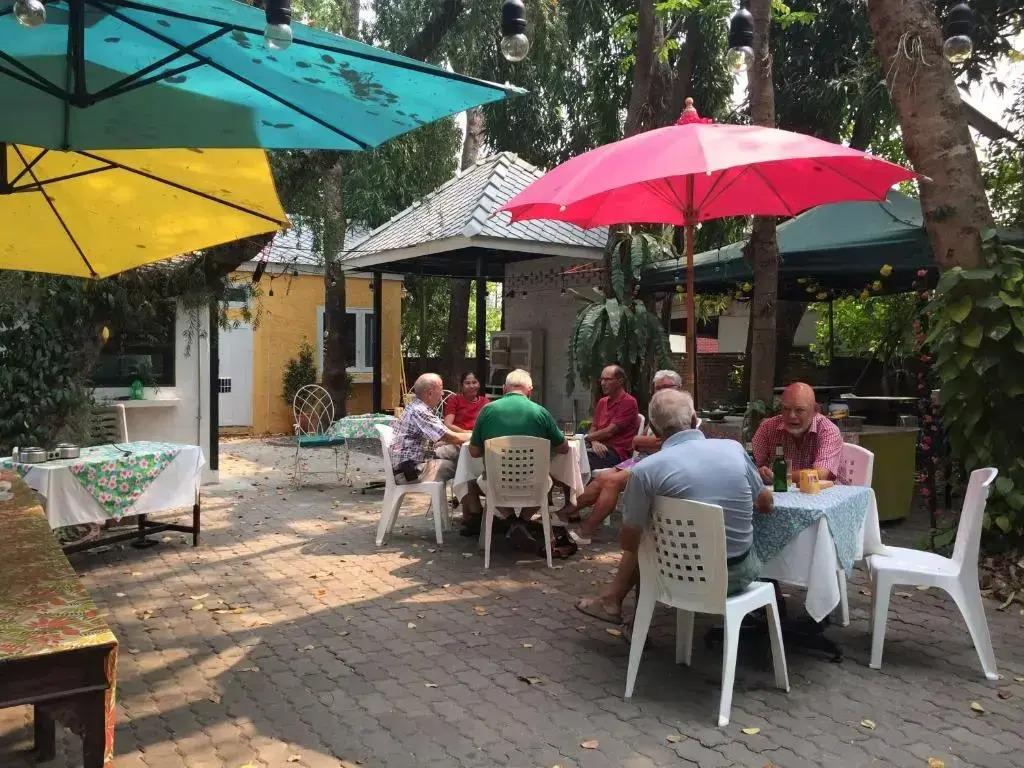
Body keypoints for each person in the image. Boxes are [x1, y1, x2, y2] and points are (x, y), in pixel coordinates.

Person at [576, 388, 773, 625]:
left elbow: (629, 541)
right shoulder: (734, 449)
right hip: (740, 574)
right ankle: (615, 603)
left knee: (645, 537)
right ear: (694, 419)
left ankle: (626, 614)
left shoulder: (645, 471)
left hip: (678, 575)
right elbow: (765, 504)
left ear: (654, 429)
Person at [556, 369, 683, 544]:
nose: (662, 392)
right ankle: (565, 512)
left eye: (667, 387)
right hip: (640, 458)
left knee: (611, 482)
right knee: (602, 478)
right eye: (658, 388)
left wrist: (640, 441)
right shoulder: (658, 411)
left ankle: (587, 529)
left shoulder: (681, 412)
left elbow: (659, 443)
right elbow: (640, 441)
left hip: (658, 462)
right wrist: (641, 441)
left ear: (679, 388)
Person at [469, 369, 568, 549]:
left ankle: (512, 522)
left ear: (504, 389)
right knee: (547, 483)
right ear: (530, 390)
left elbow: (474, 452)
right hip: (533, 483)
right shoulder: (541, 412)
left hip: (497, 482)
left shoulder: (487, 411)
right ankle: (522, 522)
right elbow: (564, 448)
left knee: (479, 482)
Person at [390, 373, 482, 532]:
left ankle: (473, 513)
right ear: (430, 393)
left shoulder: (417, 407)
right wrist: (480, 435)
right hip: (411, 471)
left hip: (415, 462)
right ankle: (476, 514)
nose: (443, 395)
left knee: (460, 455)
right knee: (463, 465)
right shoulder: (420, 411)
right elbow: (450, 436)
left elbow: (442, 436)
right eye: (441, 390)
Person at [751, 381, 843, 484]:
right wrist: (761, 472)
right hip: (778, 492)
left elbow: (820, 475)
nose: (791, 416)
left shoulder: (828, 430)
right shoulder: (768, 428)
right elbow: (750, 466)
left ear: (815, 411)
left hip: (822, 493)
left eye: (799, 410)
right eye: (786, 409)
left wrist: (779, 476)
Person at [586, 364, 640, 470]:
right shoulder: (602, 402)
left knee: (578, 459)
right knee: (571, 455)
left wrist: (585, 438)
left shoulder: (628, 402)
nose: (602, 383)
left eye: (607, 380)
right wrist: (594, 442)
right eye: (601, 379)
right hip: (597, 448)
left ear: (620, 381)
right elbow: (594, 427)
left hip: (617, 454)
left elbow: (609, 431)